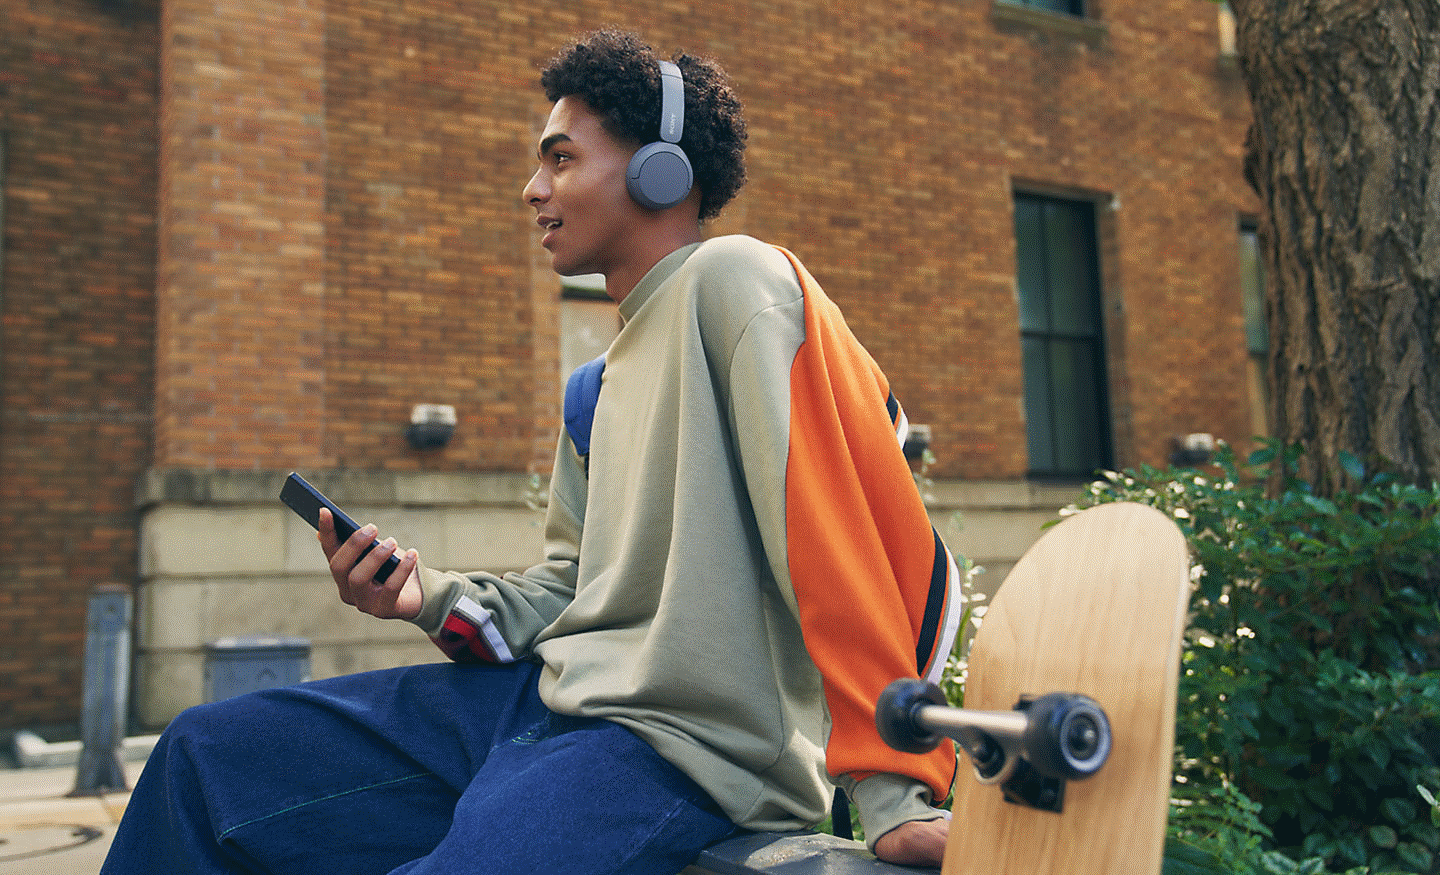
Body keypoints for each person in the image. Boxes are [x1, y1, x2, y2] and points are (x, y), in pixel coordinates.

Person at [101, 29, 959, 874]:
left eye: (560, 159)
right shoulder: (594, 386)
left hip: (676, 747)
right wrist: (423, 595)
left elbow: (838, 533)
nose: (532, 188)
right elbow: (568, 590)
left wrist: (893, 793)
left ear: (661, 170)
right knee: (202, 760)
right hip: (536, 706)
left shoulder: (739, 283)